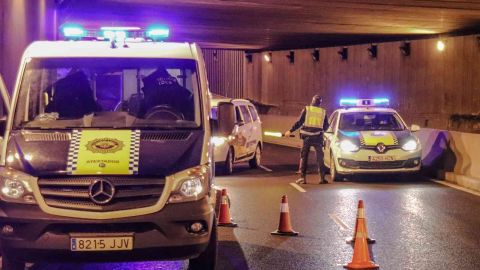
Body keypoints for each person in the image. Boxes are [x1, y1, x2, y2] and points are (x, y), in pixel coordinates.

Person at [285, 95, 328, 184]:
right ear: (320, 103)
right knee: (320, 158)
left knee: (304, 157)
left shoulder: (307, 109)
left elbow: (299, 122)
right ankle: (322, 178)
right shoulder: (323, 112)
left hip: (307, 137)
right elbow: (326, 126)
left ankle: (303, 178)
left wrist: (290, 131)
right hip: (318, 137)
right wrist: (321, 130)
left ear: (312, 101)